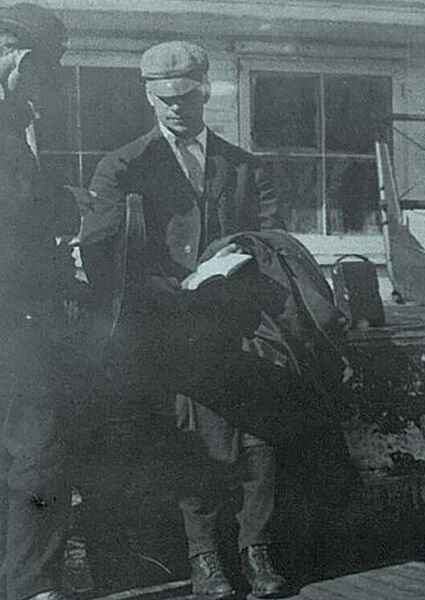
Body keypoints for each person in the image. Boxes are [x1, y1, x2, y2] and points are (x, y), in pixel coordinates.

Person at [86, 40, 286, 600]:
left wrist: (237, 264)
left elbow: (271, 242)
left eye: (188, 96)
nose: (177, 108)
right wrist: (166, 287)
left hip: (238, 324)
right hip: (165, 331)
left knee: (259, 438)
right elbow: (104, 256)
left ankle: (257, 551)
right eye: (165, 98)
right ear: (149, 97)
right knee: (188, 439)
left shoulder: (247, 168)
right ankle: (206, 562)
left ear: (207, 93)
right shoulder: (123, 166)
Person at [0, 5, 74, 599]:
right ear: (22, 59)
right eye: (45, 71)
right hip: (12, 319)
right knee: (38, 454)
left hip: (19, 313)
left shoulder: (18, 115)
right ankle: (30, 586)